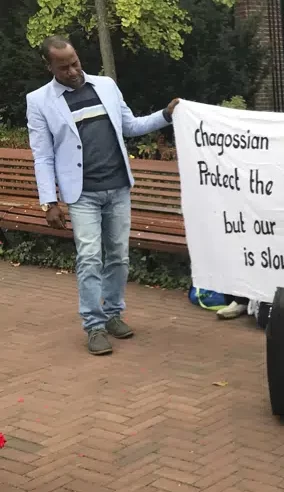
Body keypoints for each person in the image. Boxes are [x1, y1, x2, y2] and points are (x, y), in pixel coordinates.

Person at [26, 35, 179, 356]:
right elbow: (43, 156)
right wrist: (48, 201)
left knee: (119, 256)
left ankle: (113, 314)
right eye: (64, 67)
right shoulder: (39, 101)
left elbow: (130, 126)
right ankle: (94, 326)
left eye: (75, 63)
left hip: (118, 186)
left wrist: (165, 115)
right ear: (48, 66)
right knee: (90, 258)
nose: (73, 71)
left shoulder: (106, 86)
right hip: (82, 194)